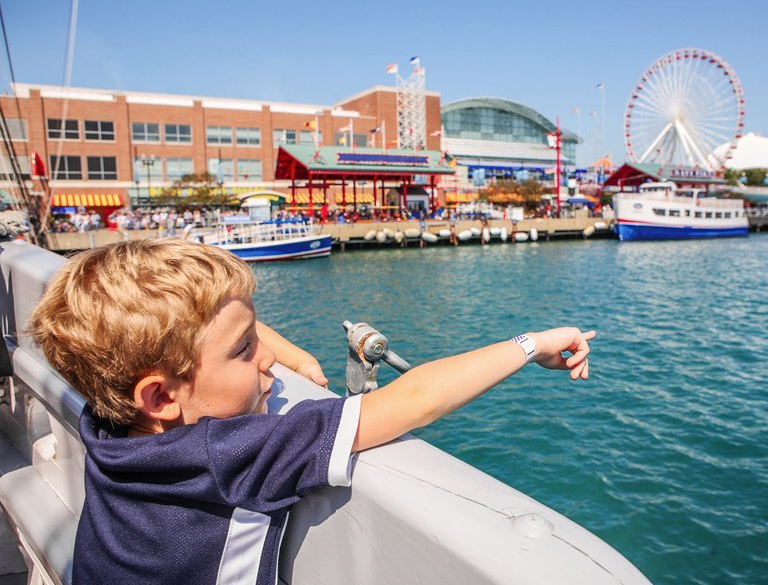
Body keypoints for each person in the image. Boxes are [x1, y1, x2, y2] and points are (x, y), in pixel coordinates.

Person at [28, 238, 594, 584]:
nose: (267, 356)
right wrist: (531, 343)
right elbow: (416, 399)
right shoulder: (227, 457)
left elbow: (191, 336)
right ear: (159, 397)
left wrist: (289, 356)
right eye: (246, 349)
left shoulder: (107, 425)